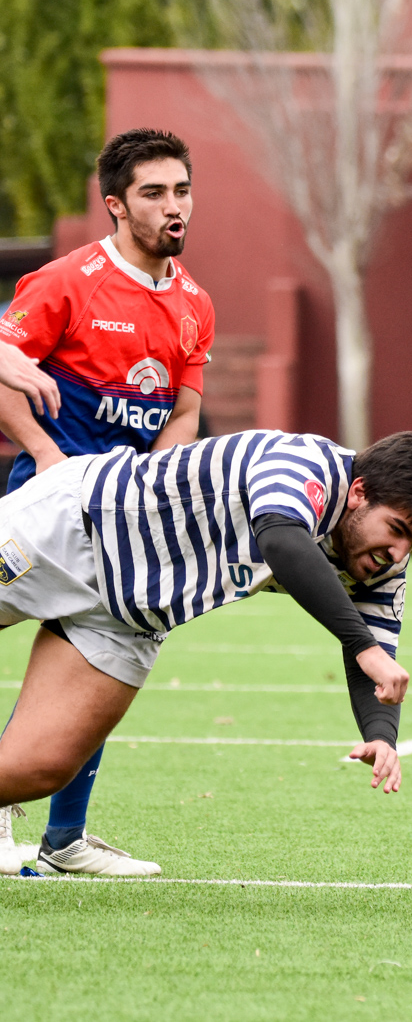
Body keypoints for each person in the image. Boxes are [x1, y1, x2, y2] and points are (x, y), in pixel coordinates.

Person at [0, 429, 412, 877]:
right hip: (76, 527)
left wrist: (381, 735)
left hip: (131, 615)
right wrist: (364, 648)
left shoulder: (381, 563)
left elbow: (379, 664)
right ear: (359, 492)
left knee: (42, 767)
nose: (399, 552)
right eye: (397, 529)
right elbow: (280, 537)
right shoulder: (306, 462)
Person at [0, 128, 215, 877]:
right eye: (155, 193)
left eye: (182, 190)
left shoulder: (193, 304)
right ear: (116, 205)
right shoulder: (68, 280)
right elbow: (5, 366)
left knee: (97, 671)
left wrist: (159, 489)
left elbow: (184, 412)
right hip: (45, 505)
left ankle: (62, 842)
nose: (173, 206)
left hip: (124, 527)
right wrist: (47, 454)